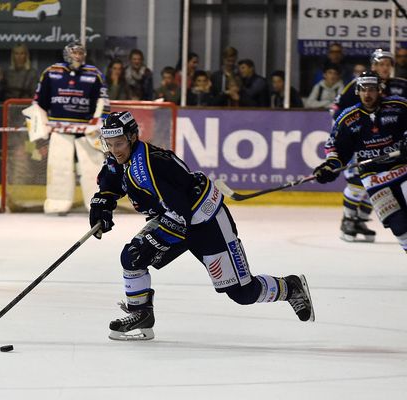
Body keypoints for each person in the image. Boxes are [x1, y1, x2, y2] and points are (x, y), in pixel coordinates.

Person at [90, 111, 315, 341]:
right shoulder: (120, 157)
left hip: (206, 222)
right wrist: (103, 203)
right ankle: (141, 315)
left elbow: (181, 214)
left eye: (119, 143)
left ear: (132, 137)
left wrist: (154, 242)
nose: (115, 149)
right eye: (109, 143)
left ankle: (290, 287)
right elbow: (112, 181)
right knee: (133, 257)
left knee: (243, 293)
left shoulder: (151, 166)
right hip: (174, 218)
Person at [313, 71, 407, 253]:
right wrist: (330, 166)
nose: (367, 94)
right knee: (399, 227)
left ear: (379, 89)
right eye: (363, 89)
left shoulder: (398, 106)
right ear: (357, 91)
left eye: (372, 89)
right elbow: (335, 149)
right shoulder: (348, 118)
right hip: (374, 179)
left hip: (403, 170)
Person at [331, 49, 407, 241]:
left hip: (395, 154)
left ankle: (361, 219)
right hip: (361, 141)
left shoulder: (400, 86)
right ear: (373, 66)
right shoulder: (358, 85)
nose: (384, 68)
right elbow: (337, 110)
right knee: (358, 182)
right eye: (380, 64)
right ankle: (348, 219)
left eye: (388, 64)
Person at [32, 41, 110, 214]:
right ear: (66, 54)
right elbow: (39, 102)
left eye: (81, 53)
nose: (78, 56)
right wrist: (42, 124)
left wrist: (96, 123)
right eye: (75, 53)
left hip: (86, 132)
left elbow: (102, 101)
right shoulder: (51, 72)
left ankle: (97, 204)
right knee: (60, 167)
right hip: (60, 131)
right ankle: (57, 202)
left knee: (93, 168)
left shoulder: (94, 73)